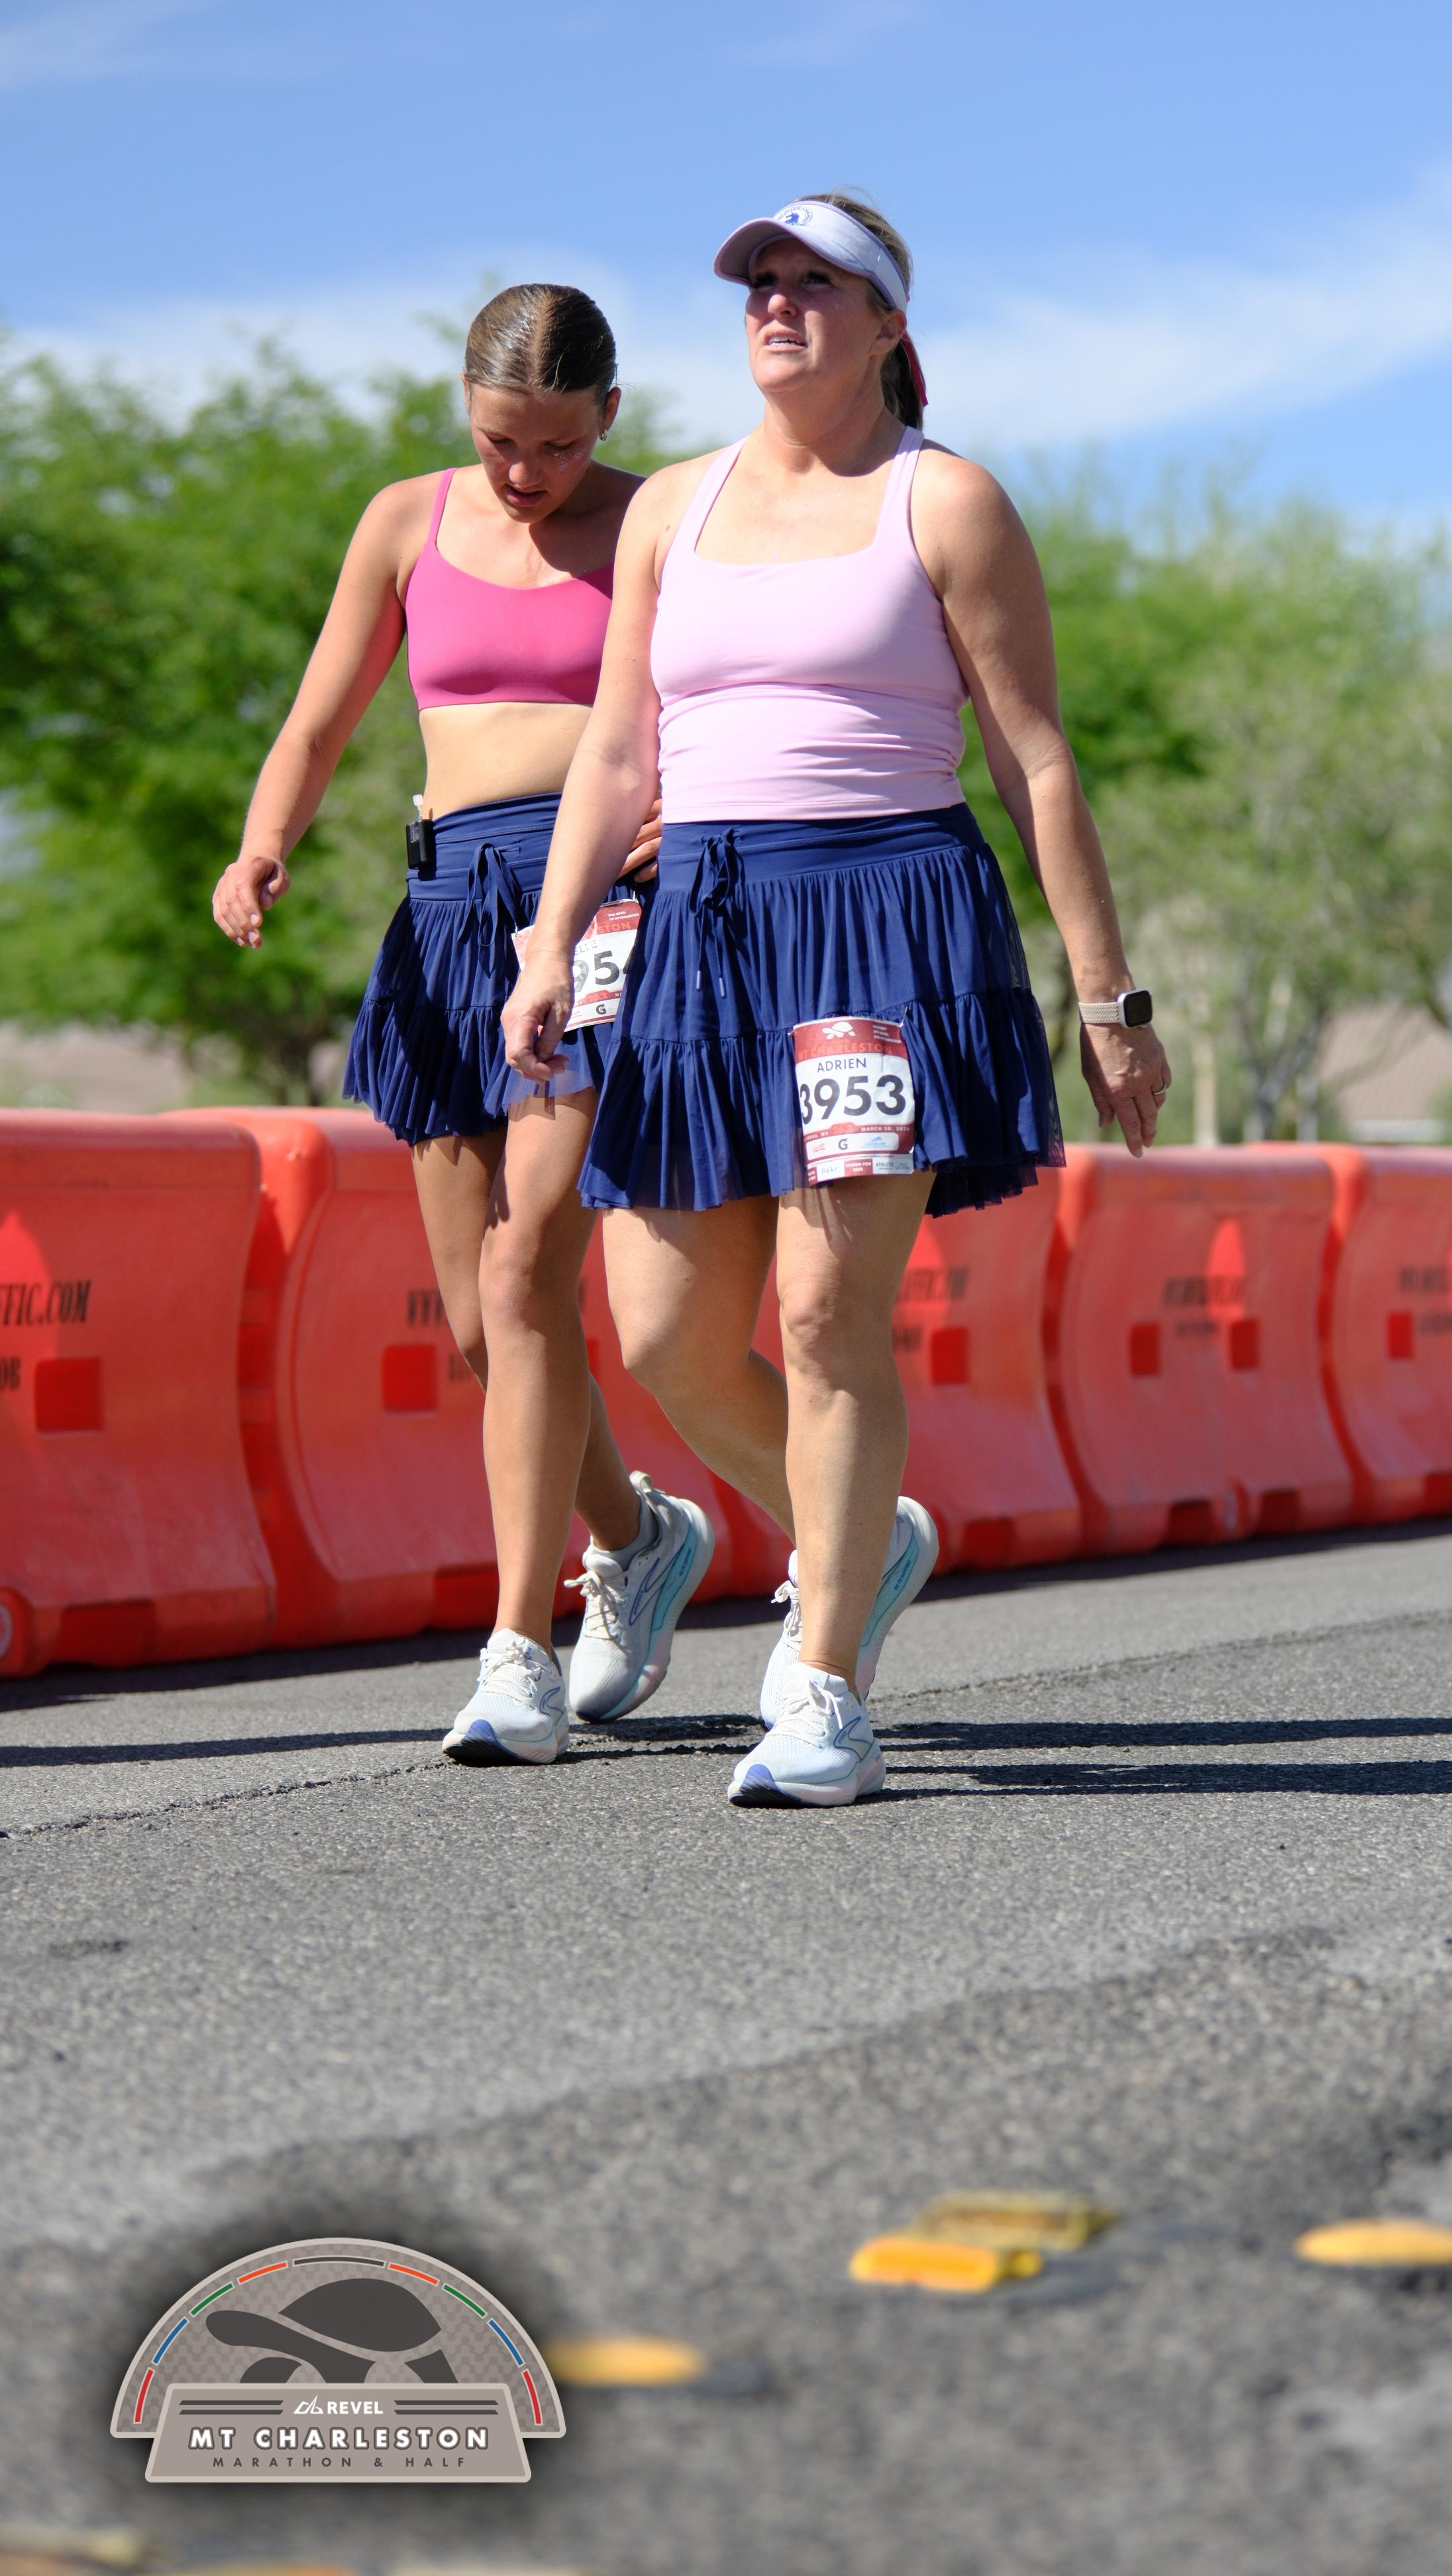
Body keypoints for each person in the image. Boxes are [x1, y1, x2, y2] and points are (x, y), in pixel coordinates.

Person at [503, 196, 1170, 1807]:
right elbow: (617, 749)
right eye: (761, 280)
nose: (779, 301)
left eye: (818, 281)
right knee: (664, 1335)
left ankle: (824, 1694)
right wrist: (549, 939)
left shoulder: (947, 501)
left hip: (883, 921)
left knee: (822, 1315)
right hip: (702, 930)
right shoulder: (673, 507)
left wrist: (1109, 999)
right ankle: (861, 1538)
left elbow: (1036, 759)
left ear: (888, 326)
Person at [211, 284, 714, 1766]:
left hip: (597, 905)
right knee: (485, 1322)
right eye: (502, 440)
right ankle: (637, 1534)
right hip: (444, 909)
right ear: (466, 410)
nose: (526, 472)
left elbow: (725, 702)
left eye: (558, 445)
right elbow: (320, 715)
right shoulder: (403, 522)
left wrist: (684, 811)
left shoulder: (660, 522)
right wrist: (262, 844)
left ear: (608, 417)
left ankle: (516, 1654)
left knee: (525, 1259)